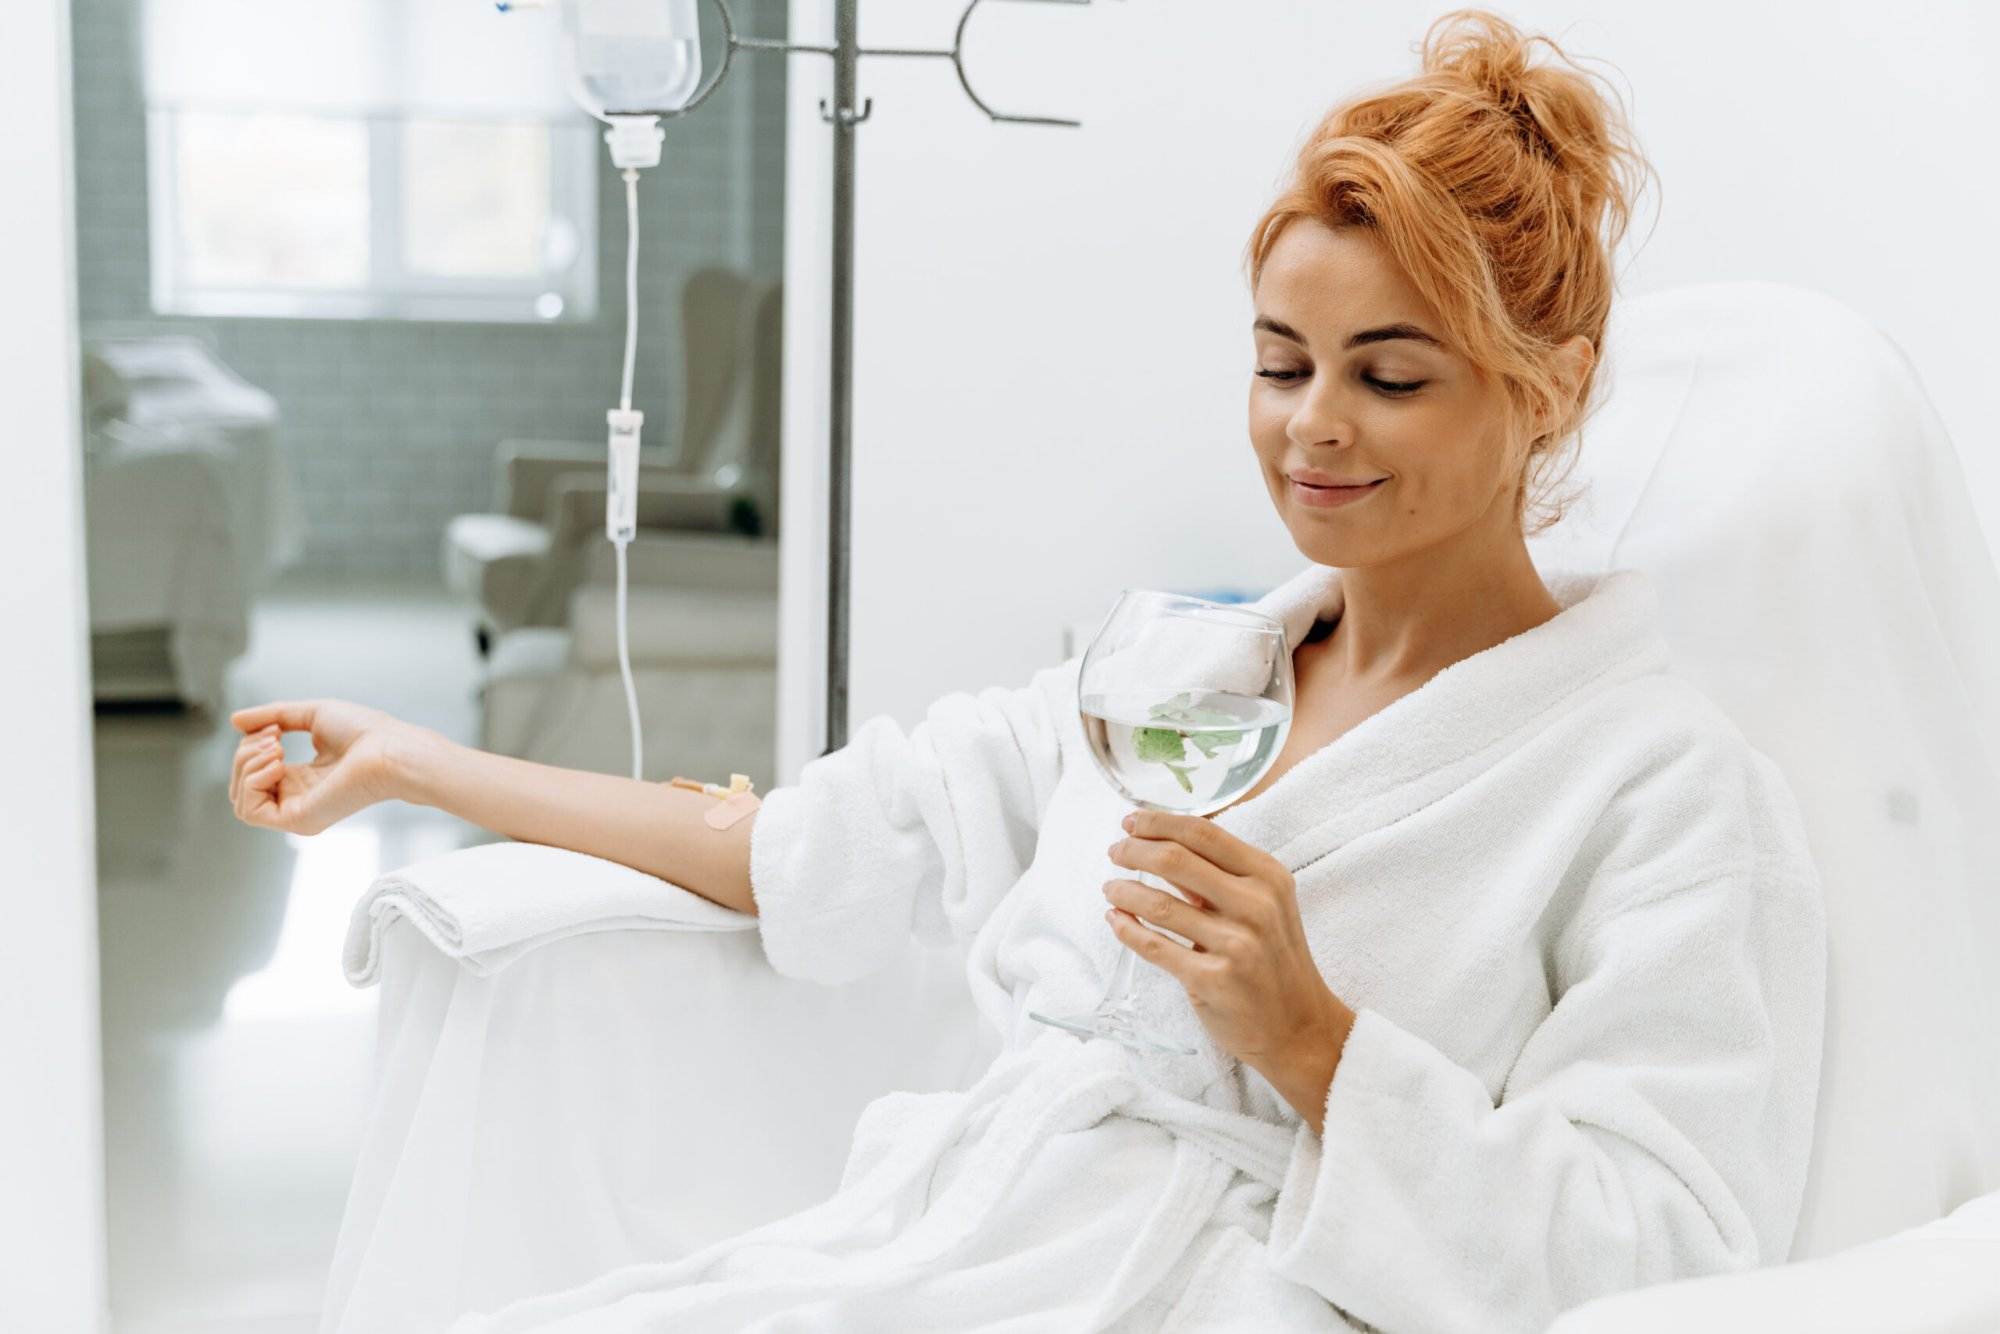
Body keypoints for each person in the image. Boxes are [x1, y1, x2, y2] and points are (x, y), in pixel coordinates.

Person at [228, 11, 1826, 1331]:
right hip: (953, 1250)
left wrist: (1315, 1041)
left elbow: (1666, 1256)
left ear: (1549, 391)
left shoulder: (1657, 786)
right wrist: (417, 761)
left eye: (1388, 376)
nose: (1313, 426)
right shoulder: (1181, 687)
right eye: (1280, 365)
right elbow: (802, 847)